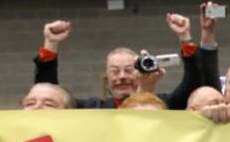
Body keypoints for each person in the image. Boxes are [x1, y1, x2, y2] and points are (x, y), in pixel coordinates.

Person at [32, 13, 202, 109]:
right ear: (107, 76)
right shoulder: (92, 108)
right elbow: (48, 92)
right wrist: (51, 44)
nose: (121, 76)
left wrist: (185, 37)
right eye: (115, 71)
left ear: (139, 71)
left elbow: (194, 85)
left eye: (128, 70)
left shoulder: (163, 103)